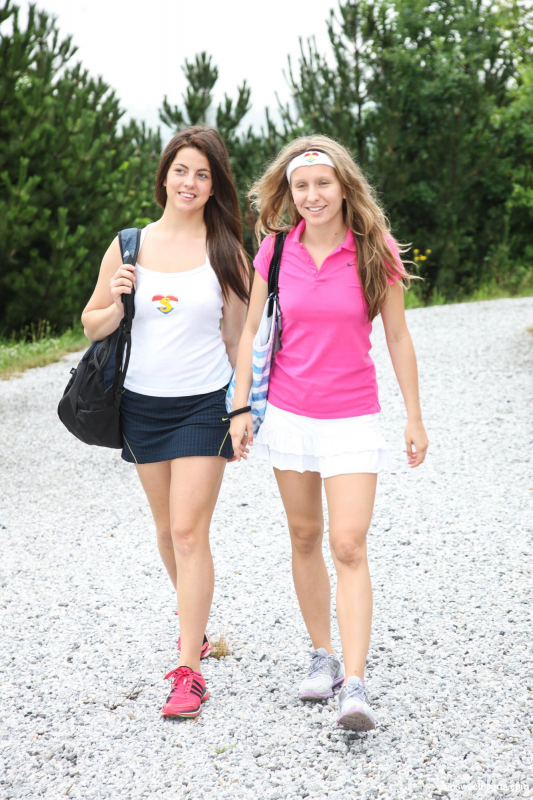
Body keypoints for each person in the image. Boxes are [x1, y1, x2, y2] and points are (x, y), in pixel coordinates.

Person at [229, 136, 428, 732]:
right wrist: (240, 408)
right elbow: (250, 335)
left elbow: (397, 337)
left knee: (348, 542)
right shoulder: (274, 250)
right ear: (288, 195)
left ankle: (357, 684)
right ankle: (323, 655)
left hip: (351, 417)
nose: (312, 196)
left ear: (344, 186)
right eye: (300, 187)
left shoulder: (374, 251)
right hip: (288, 413)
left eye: (323, 184)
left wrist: (413, 416)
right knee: (305, 534)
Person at [81, 126, 250, 719]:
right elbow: (91, 323)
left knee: (187, 531)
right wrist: (119, 301)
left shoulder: (226, 249)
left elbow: (238, 338)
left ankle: (189, 671)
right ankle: (195, 628)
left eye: (203, 174)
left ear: (214, 185)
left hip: (204, 404)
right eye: (182, 170)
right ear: (165, 175)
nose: (190, 182)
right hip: (141, 406)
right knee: (163, 528)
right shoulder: (129, 244)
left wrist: (243, 406)